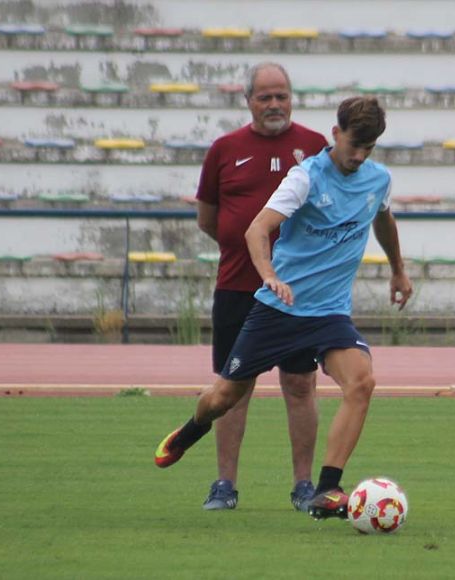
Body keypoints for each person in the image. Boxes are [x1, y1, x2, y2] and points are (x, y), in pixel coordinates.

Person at [157, 96, 412, 520]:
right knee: (223, 397)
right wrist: (270, 274)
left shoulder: (377, 180)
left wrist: (398, 271)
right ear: (335, 134)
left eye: (369, 149)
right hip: (279, 310)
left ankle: (327, 489)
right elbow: (258, 228)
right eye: (354, 146)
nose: (360, 156)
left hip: (329, 314)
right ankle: (190, 430)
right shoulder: (306, 177)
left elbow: (382, 218)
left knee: (361, 382)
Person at [192, 62, 328, 511]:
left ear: (293, 98)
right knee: (233, 386)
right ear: (248, 100)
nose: (274, 104)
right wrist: (247, 252)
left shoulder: (314, 147)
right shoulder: (224, 149)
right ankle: (225, 485)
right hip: (237, 287)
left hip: (297, 292)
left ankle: (304, 485)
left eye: (282, 95)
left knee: (300, 383)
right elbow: (209, 218)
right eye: (265, 96)